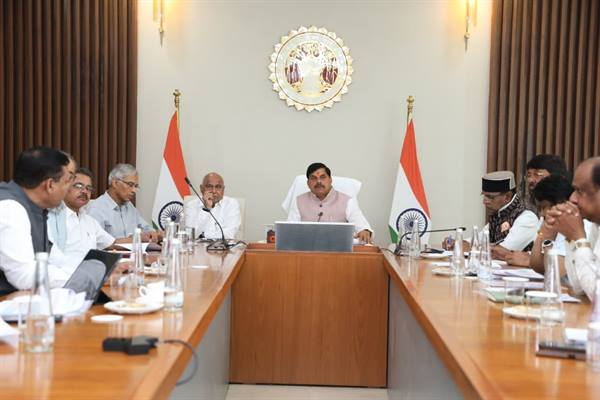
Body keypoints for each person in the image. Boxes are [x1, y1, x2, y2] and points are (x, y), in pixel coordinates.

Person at [0, 147, 103, 295]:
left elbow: (53, 257)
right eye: (67, 182)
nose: (68, 189)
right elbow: (24, 276)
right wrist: (83, 280)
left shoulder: (36, 208)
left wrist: (96, 273)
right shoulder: (10, 208)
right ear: (50, 185)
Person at [48, 167, 129, 276]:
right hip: (64, 278)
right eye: (78, 186)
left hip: (93, 276)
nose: (84, 191)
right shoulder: (51, 219)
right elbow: (52, 260)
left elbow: (112, 243)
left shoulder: (89, 221)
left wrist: (141, 243)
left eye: (88, 188)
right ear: (65, 187)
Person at [504, 175, 591, 275]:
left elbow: (557, 274)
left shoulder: (577, 224)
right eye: (539, 208)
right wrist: (542, 236)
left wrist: (548, 240)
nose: (541, 214)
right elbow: (537, 266)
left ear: (562, 203)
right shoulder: (548, 221)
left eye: (544, 207)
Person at [444, 171, 538, 258]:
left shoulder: (527, 218)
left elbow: (503, 251)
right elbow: (479, 239)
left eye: (490, 197)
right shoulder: (499, 214)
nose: (484, 201)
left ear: (507, 196)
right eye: (484, 196)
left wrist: (469, 246)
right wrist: (457, 243)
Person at [546, 157, 600, 300]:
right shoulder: (597, 225)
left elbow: (597, 293)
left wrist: (578, 238)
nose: (572, 199)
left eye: (579, 191)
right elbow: (579, 286)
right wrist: (571, 237)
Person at [287, 162, 373, 243]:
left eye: (323, 177)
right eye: (313, 178)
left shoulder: (347, 201)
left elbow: (362, 226)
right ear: (308, 183)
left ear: (330, 180)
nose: (318, 181)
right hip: (306, 248)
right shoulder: (299, 201)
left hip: (338, 249)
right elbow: (289, 230)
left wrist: (365, 231)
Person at [87, 163, 161, 242]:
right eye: (130, 185)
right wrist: (133, 240)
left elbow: (146, 228)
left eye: (136, 186)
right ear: (115, 183)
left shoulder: (129, 206)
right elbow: (97, 242)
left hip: (135, 249)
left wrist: (155, 234)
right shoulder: (96, 209)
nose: (134, 190)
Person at [184, 172, 241, 239]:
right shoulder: (192, 205)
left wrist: (203, 235)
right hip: (198, 246)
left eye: (218, 187)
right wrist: (207, 208)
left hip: (223, 245)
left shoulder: (231, 204)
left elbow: (229, 234)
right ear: (201, 188)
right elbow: (190, 235)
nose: (214, 191)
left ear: (223, 190)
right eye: (209, 186)